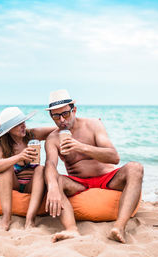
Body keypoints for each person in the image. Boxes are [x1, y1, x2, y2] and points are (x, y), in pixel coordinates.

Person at [44, 89, 143, 243]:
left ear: (74, 110)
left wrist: (80, 147)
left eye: (65, 114)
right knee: (54, 179)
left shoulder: (93, 124)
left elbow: (114, 157)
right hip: (79, 183)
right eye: (56, 117)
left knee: (135, 168)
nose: (62, 120)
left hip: (108, 178)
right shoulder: (53, 138)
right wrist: (52, 186)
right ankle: (71, 229)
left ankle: (119, 227)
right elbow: (50, 164)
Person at [0, 107, 56, 230]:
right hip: (13, 182)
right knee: (6, 168)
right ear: (9, 129)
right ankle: (6, 217)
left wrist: (86, 122)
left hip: (31, 185)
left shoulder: (32, 135)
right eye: (18, 124)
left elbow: (58, 128)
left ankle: (30, 220)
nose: (23, 126)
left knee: (40, 169)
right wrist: (18, 157)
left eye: (23, 122)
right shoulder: (0, 144)